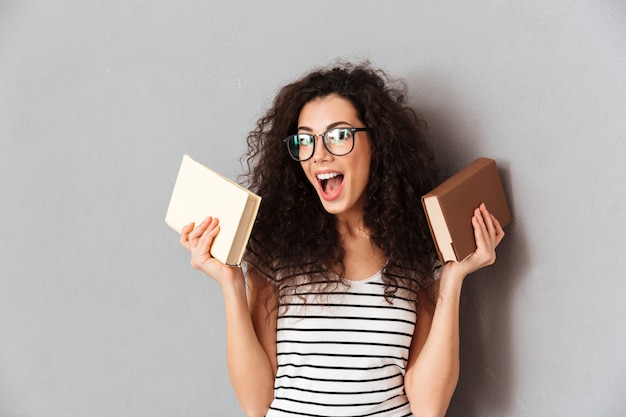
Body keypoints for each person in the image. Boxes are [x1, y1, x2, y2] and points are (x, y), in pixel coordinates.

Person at [179, 62, 505, 417]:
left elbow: (429, 407)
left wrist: (453, 278)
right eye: (305, 140)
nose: (319, 154)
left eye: (338, 136)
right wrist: (230, 283)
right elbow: (256, 405)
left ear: (377, 143)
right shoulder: (274, 247)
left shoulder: (417, 248)